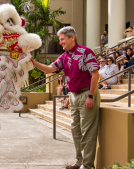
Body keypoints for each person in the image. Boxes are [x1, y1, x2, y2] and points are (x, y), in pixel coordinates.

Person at [32, 26, 100, 169]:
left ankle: (87, 166)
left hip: (87, 94)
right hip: (73, 96)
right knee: (75, 130)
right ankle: (79, 161)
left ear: (72, 38)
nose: (60, 42)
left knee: (88, 132)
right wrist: (33, 62)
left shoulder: (85, 52)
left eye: (62, 39)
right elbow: (50, 69)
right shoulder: (64, 56)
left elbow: (95, 74)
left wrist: (91, 96)